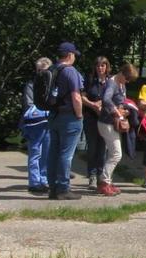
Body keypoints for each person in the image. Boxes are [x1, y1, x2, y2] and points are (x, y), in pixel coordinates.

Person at [46, 42, 85, 200]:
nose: (74, 57)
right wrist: (80, 115)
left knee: (53, 152)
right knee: (66, 155)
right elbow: (76, 96)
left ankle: (53, 188)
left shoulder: (52, 69)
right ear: (69, 55)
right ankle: (63, 188)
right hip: (69, 117)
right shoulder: (70, 71)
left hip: (54, 115)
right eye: (74, 54)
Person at [96, 63, 139, 196]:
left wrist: (125, 110)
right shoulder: (112, 83)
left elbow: (120, 101)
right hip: (106, 123)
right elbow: (106, 99)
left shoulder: (121, 84)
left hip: (113, 124)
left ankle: (107, 181)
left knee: (112, 153)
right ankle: (104, 183)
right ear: (122, 73)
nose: (127, 82)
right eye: (127, 79)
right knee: (116, 154)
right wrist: (116, 111)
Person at [19, 57, 52, 194]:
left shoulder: (51, 85)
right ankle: (34, 182)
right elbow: (30, 106)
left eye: (44, 70)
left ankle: (43, 180)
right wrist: (47, 111)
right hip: (35, 124)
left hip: (48, 123)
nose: (41, 73)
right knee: (35, 153)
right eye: (39, 70)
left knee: (46, 153)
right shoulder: (31, 85)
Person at [81, 56, 110, 189]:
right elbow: (82, 96)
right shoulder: (89, 80)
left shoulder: (110, 81)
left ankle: (100, 175)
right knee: (92, 147)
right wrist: (93, 105)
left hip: (105, 119)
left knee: (102, 148)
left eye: (103, 66)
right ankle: (92, 176)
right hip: (91, 118)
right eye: (98, 66)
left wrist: (103, 104)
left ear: (106, 67)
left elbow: (116, 97)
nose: (100, 68)